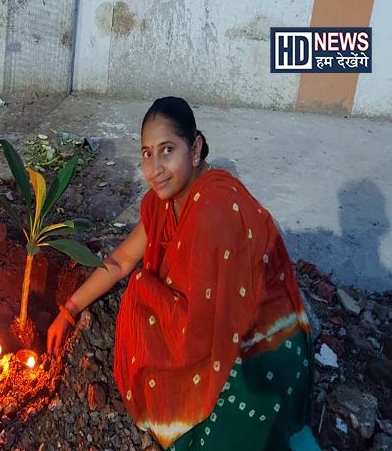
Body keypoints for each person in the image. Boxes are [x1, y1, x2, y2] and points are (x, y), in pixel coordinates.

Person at [47, 97, 318, 450]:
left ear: (196, 149)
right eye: (147, 153)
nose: (155, 167)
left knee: (143, 295)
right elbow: (123, 260)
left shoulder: (216, 208)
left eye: (167, 150)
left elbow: (210, 326)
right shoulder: (164, 201)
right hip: (215, 332)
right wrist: (69, 310)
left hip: (257, 346)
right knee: (141, 287)